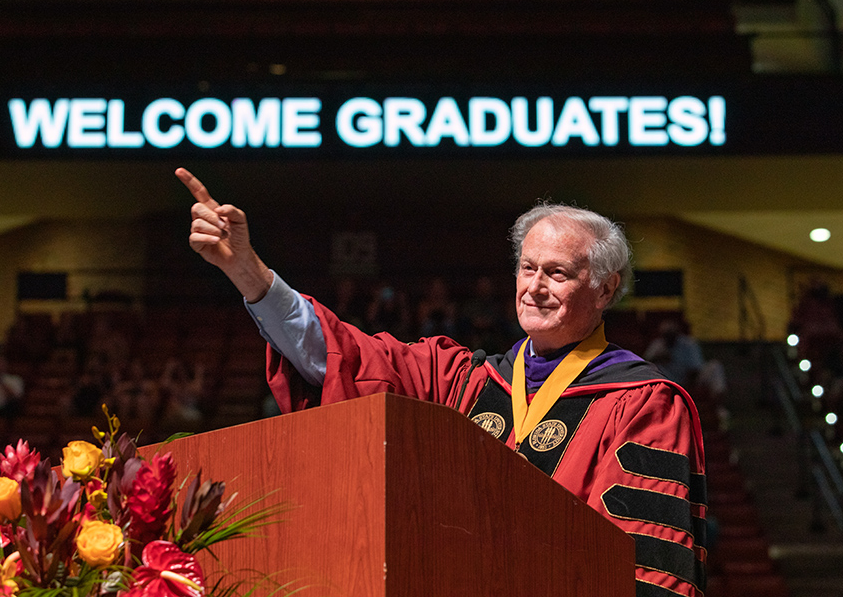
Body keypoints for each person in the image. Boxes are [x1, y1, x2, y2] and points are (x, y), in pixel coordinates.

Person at [179, 167, 707, 597]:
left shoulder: (641, 403)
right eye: (527, 268)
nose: (535, 287)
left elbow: (649, 565)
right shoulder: (461, 380)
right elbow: (343, 355)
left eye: (558, 273)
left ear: (606, 289)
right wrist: (250, 274)